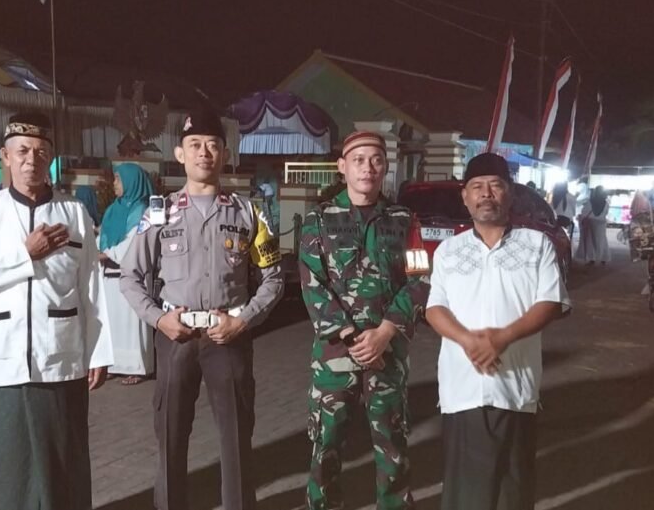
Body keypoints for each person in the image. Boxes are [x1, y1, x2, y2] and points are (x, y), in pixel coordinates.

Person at [120, 108, 284, 510]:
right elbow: (130, 276)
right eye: (194, 145)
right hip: (176, 337)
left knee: (236, 437)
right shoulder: (159, 213)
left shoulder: (248, 213)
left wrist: (243, 320)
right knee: (171, 436)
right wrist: (158, 319)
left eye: (212, 145)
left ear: (225, 154)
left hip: (228, 336)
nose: (204, 153)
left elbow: (274, 277)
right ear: (180, 154)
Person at [0, 113, 114, 510]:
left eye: (41, 152)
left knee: (64, 466)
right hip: (0, 364)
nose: (31, 160)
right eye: (22, 151)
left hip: (60, 357)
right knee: (8, 470)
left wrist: (99, 351)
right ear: (5, 156)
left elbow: (91, 286)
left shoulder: (74, 214)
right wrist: (24, 255)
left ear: (51, 159)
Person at [426, 153, 571, 510]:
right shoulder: (448, 251)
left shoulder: (536, 245)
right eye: (477, 187)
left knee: (513, 493)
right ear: (465, 196)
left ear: (510, 193)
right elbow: (434, 307)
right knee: (465, 495)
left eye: (495, 185)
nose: (486, 194)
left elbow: (551, 302)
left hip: (515, 389)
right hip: (462, 389)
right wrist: (469, 341)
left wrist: (501, 338)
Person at [299, 131, 430, 510]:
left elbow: (419, 279)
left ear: (385, 166)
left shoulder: (404, 220)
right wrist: (350, 334)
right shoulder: (319, 219)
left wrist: (386, 331)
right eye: (358, 160)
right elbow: (312, 281)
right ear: (342, 167)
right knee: (326, 443)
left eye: (376, 160)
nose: (367, 168)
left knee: (392, 442)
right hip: (335, 353)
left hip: (386, 351)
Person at [98, 163, 156, 385]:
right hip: (109, 275)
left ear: (132, 181)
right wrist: (98, 250)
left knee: (132, 323)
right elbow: (103, 237)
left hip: (132, 275)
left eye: (118, 179)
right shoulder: (113, 210)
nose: (114, 183)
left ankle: (137, 368)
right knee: (113, 322)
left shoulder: (142, 211)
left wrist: (108, 253)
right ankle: (115, 365)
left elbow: (135, 243)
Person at [576, 185, 611, 266]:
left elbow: (584, 212)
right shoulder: (606, 203)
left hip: (591, 222)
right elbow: (605, 213)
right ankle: (603, 257)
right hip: (601, 223)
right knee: (602, 240)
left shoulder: (590, 202)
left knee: (590, 241)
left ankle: (592, 258)